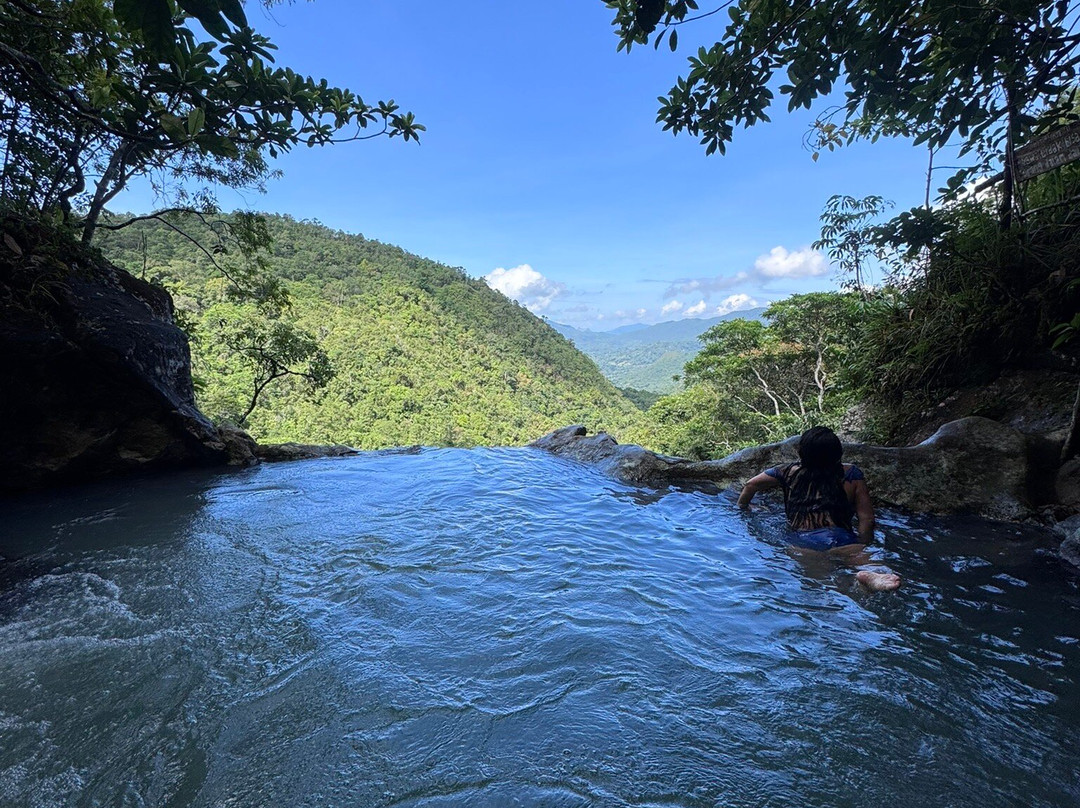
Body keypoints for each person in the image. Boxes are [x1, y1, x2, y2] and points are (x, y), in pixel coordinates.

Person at [737, 426, 901, 592]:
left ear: (802, 451)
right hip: (841, 538)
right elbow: (867, 519)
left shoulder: (787, 472)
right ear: (838, 452)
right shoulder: (851, 473)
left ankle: (854, 584)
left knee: (819, 586)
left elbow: (751, 484)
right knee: (877, 570)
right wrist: (862, 543)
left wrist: (743, 507)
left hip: (804, 541)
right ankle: (868, 578)